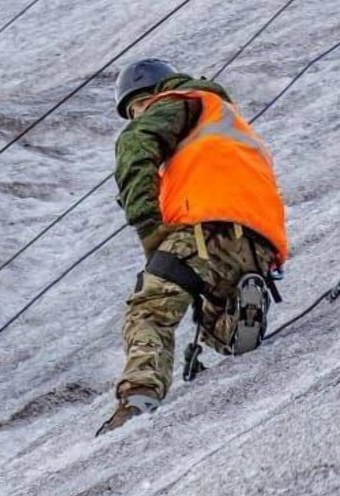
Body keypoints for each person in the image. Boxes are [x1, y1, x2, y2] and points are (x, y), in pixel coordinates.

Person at [98, 58, 288, 434]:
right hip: (258, 242)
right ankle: (237, 315)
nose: (137, 116)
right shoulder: (229, 121)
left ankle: (138, 398)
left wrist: (149, 227)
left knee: (149, 310)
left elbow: (135, 142)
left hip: (203, 229)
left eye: (135, 108)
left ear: (150, 93)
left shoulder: (178, 101)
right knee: (212, 324)